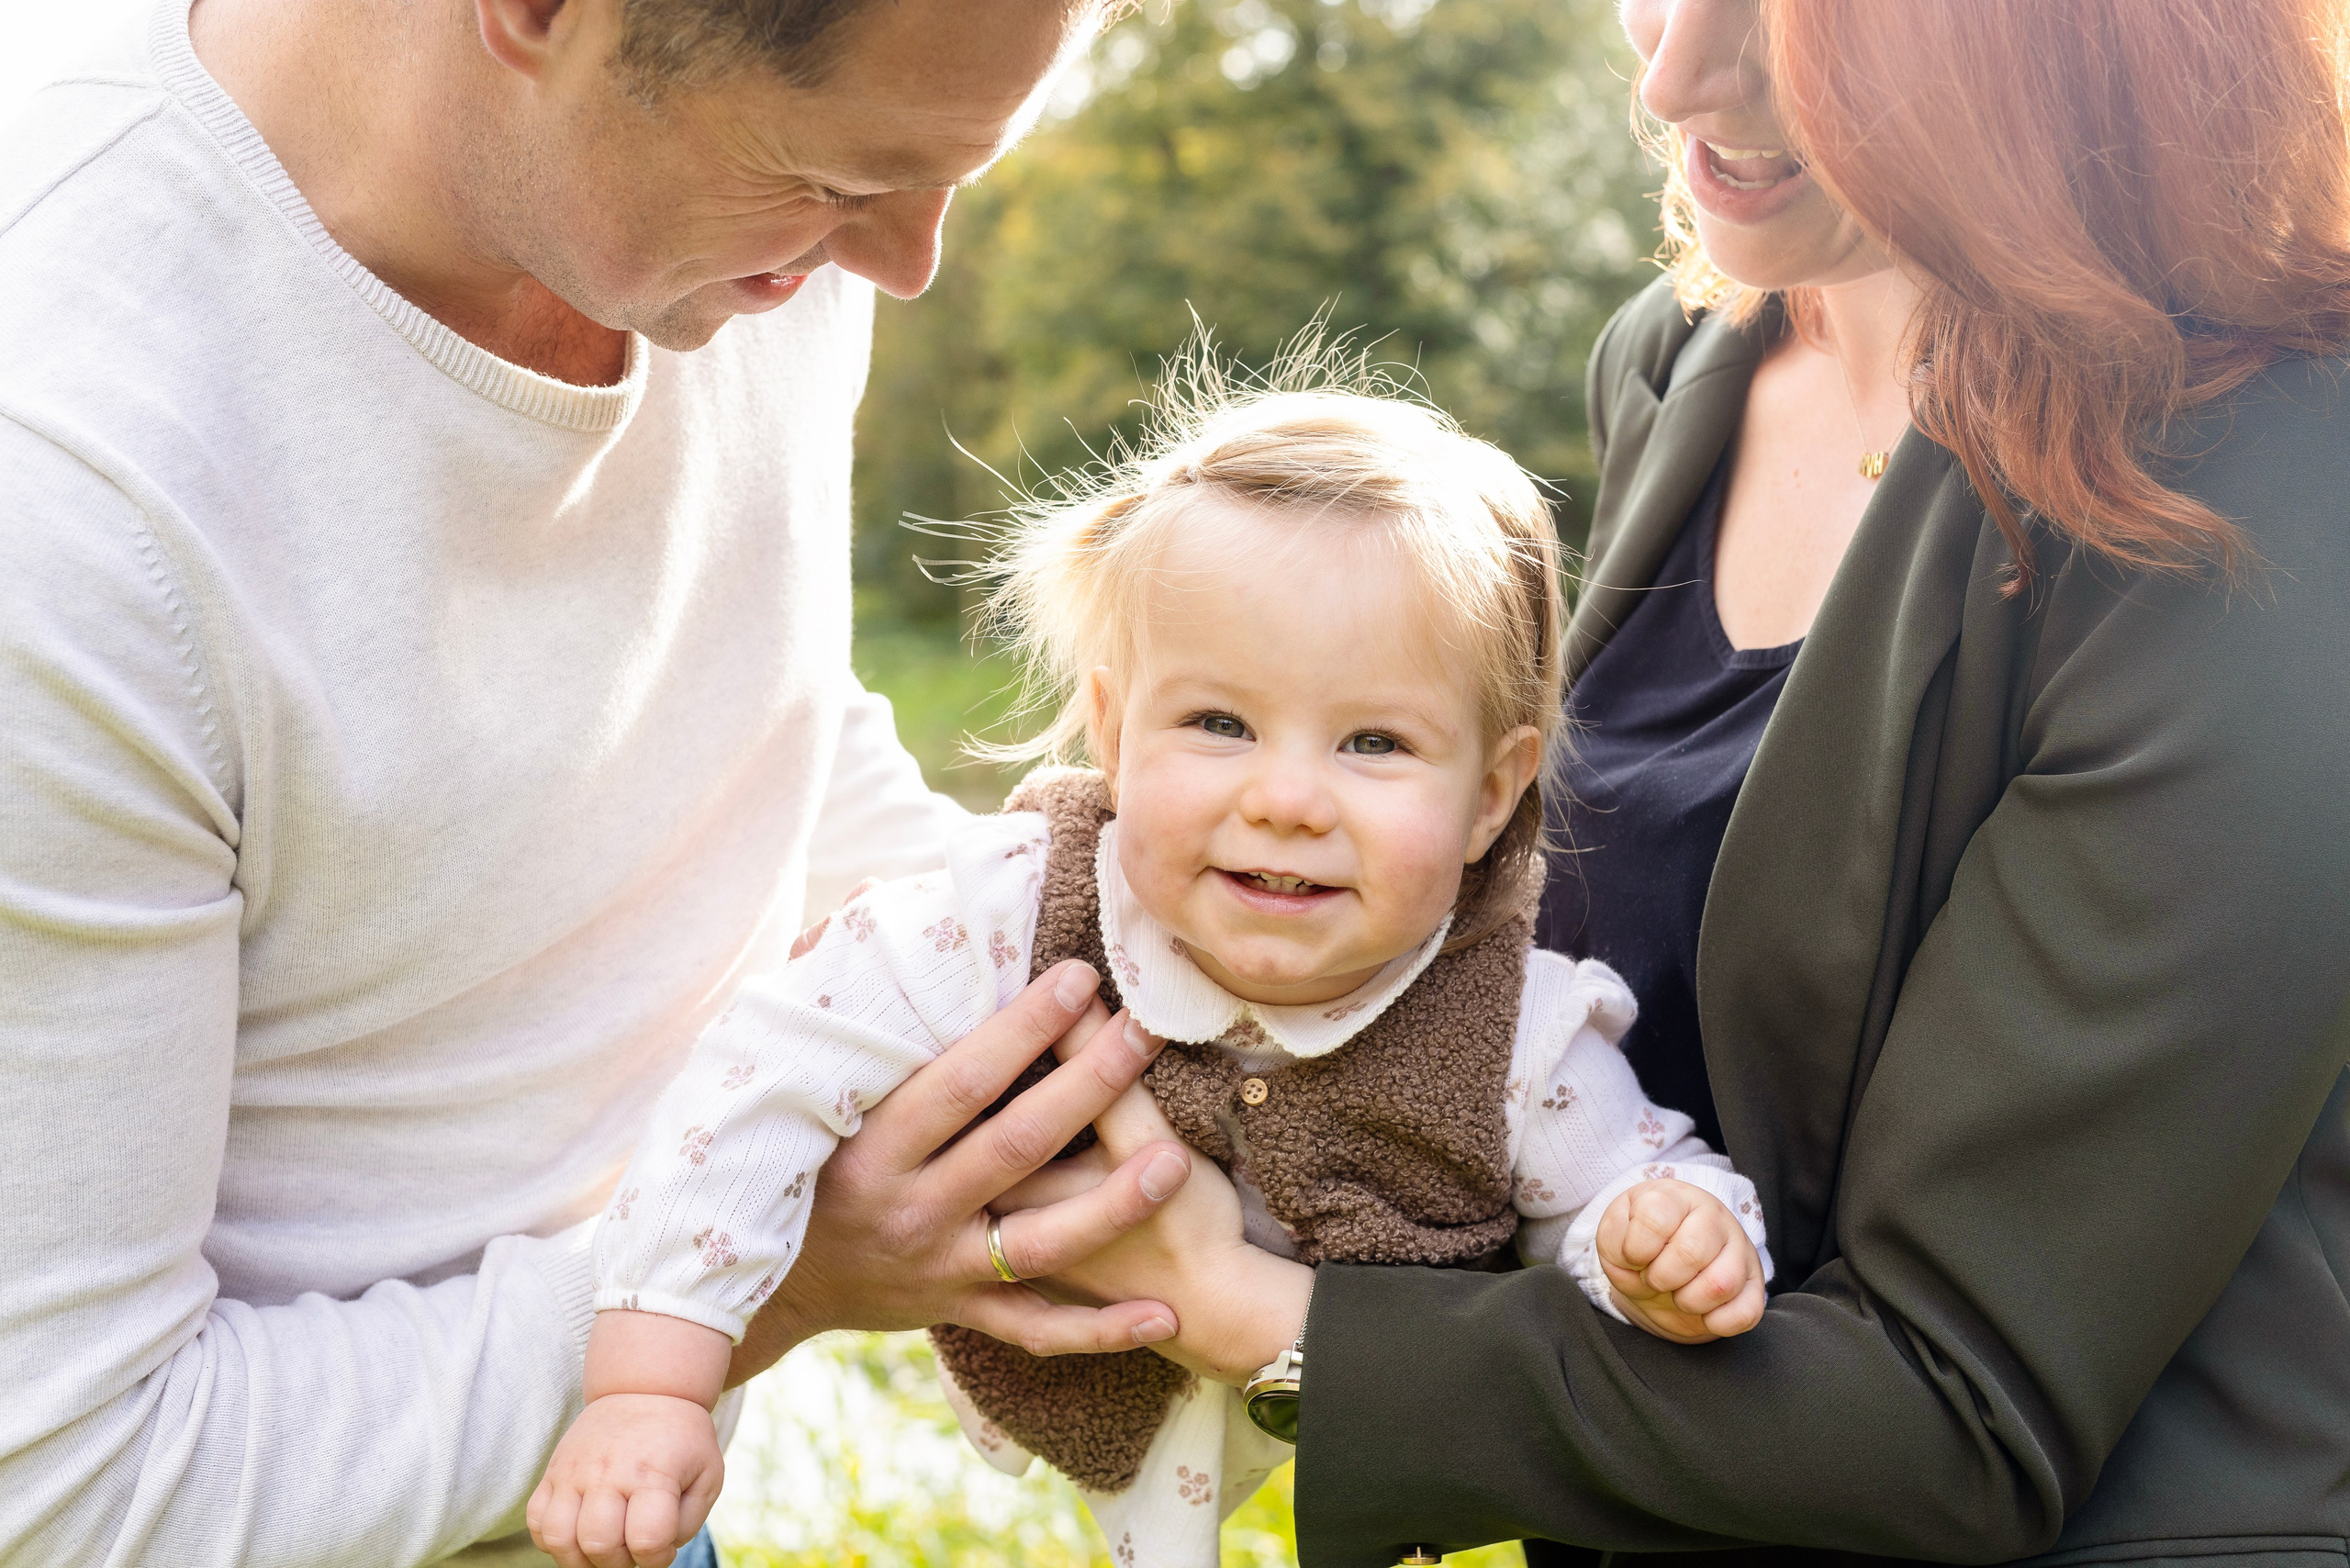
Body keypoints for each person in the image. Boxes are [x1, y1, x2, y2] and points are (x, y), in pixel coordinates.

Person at [1011, 1, 2350, 1563]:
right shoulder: (1679, 357)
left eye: (1792, 23)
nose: (1671, 76)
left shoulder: (2265, 486)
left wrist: (1254, 1310)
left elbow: (1961, 1418)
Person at [0, 0, 1206, 1563]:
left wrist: (1122, 989)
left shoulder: (750, 246)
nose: (905, 263)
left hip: (624, 1483)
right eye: (839, 181)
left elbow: (739, 690)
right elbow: (69, 1483)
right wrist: (748, 1273)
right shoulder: (67, 492)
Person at [526, 364, 1774, 1568]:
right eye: (1220, 723)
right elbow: (761, 1079)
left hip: (1341, 1440)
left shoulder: (1515, 1030)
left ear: (1491, 796)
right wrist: (651, 1384)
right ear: (1116, 736)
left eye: (1374, 742)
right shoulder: (1009, 912)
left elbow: (1625, 1185)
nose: (1287, 799)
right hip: (1072, 1389)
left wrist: (1662, 1243)